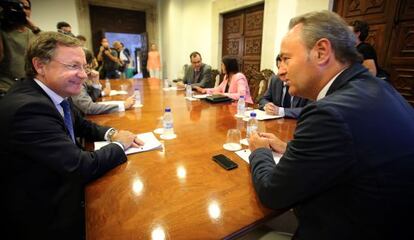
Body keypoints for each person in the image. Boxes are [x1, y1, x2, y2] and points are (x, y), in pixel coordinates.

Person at [249, 10, 414, 240]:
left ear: (321, 52)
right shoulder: (378, 88)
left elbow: (272, 193)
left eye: (286, 58)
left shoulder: (328, 113)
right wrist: (290, 149)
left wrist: (259, 152)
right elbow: (354, 152)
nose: (280, 71)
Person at [0, 32, 144, 239]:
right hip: (43, 216)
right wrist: (120, 145)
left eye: (84, 66)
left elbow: (81, 124)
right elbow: (80, 167)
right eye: (73, 66)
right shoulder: (28, 109)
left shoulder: (52, 91)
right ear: (40, 65)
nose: (84, 75)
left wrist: (112, 133)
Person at [71, 48, 136, 115]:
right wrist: (123, 106)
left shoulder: (81, 80)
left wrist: (96, 82)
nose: (87, 72)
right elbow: (88, 107)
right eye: (87, 68)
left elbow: (92, 98)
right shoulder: (76, 81)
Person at [0, 0, 41, 95]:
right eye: (18, 7)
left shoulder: (33, 33)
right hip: (6, 89)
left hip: (30, 89)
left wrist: (34, 28)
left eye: (26, 8)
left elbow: (53, 46)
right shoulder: (3, 32)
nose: (22, 10)